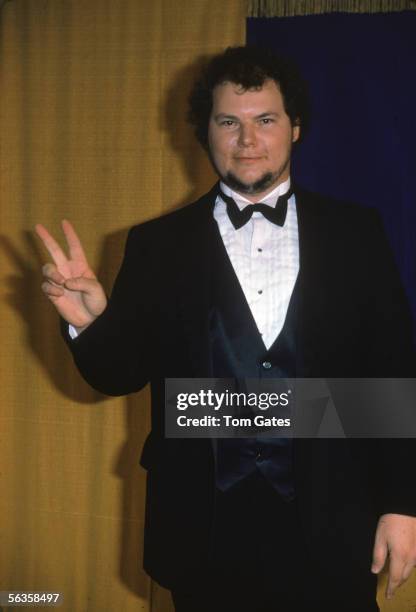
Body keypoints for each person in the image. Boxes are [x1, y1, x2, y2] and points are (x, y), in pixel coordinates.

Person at [36, 46, 416, 611]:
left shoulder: (357, 233)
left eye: (265, 120)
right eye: (228, 122)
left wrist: (401, 504)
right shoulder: (156, 245)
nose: (247, 139)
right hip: (202, 531)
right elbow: (119, 375)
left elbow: (393, 373)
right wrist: (90, 323)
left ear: (295, 128)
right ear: (204, 131)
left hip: (335, 522)